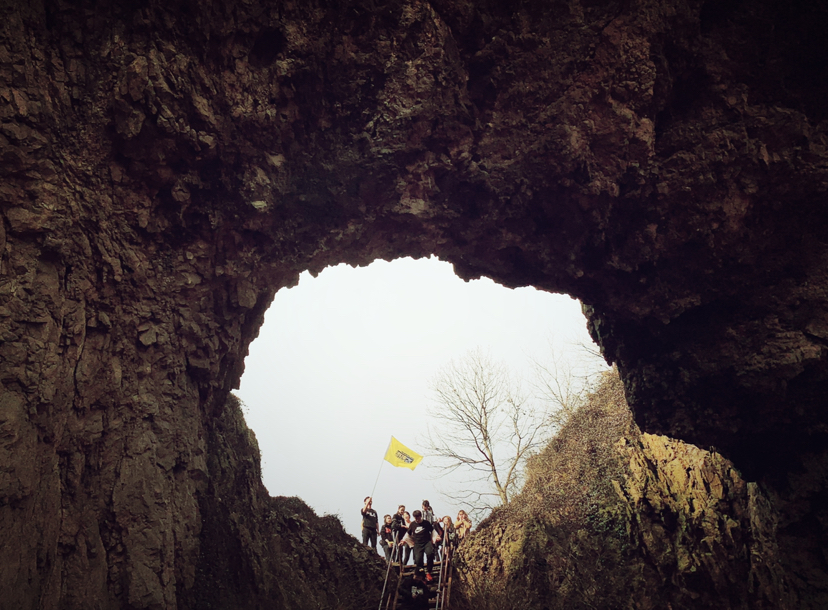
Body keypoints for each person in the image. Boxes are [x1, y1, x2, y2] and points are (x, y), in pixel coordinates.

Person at [407, 510, 435, 581]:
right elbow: (407, 534)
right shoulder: (412, 524)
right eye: (415, 518)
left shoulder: (426, 523)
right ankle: (421, 575)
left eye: (418, 518)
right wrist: (403, 541)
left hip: (426, 542)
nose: (417, 519)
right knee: (418, 559)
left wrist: (435, 538)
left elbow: (433, 531)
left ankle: (428, 572)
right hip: (417, 543)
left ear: (420, 516)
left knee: (430, 553)